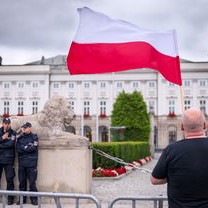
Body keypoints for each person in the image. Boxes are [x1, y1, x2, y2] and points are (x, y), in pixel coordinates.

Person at [150, 108, 208, 208]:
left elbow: (155, 180)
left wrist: (173, 176)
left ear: (181, 126)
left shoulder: (171, 150)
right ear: (205, 125)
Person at [16, 122, 39, 205]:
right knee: (22, 182)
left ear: (30, 128)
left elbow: (33, 148)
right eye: (23, 127)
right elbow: (18, 149)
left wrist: (24, 148)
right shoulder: (19, 138)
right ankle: (22, 199)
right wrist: (26, 147)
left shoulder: (34, 137)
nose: (24, 129)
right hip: (22, 163)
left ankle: (34, 199)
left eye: (25, 127)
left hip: (31, 163)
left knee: (32, 183)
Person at [0, 117, 16, 205]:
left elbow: (11, 144)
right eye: (5, 123)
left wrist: (1, 144)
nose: (7, 125)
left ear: (10, 124)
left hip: (9, 160)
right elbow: (7, 143)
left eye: (8, 123)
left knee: (9, 179)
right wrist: (2, 138)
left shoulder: (13, 133)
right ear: (3, 124)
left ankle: (10, 198)